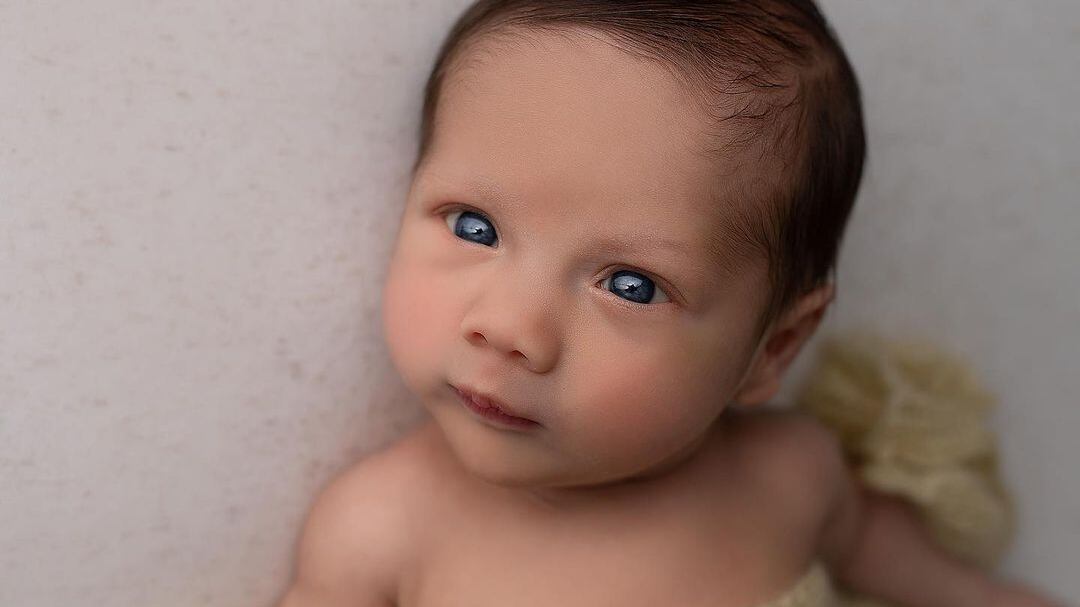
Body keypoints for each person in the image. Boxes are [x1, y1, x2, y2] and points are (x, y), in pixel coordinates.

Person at [277, 1, 1064, 605]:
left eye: (631, 284)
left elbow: (938, 582)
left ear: (773, 349)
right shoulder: (383, 532)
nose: (510, 327)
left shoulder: (789, 477)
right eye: (475, 226)